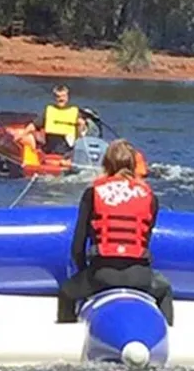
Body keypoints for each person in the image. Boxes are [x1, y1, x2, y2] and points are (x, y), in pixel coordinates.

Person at [57, 139, 174, 324]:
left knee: (66, 293)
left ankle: (65, 343)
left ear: (106, 164)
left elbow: (77, 247)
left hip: (101, 274)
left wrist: (83, 272)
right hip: (140, 276)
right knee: (165, 289)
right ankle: (166, 337)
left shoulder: (93, 193)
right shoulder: (149, 196)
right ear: (133, 165)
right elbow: (145, 240)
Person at [16, 84, 87, 154]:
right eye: (58, 97)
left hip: (67, 148)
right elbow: (34, 125)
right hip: (50, 147)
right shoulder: (49, 110)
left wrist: (81, 128)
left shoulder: (74, 111)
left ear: (67, 97)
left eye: (63, 96)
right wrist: (22, 135)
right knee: (27, 136)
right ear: (54, 98)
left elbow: (82, 131)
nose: (61, 99)